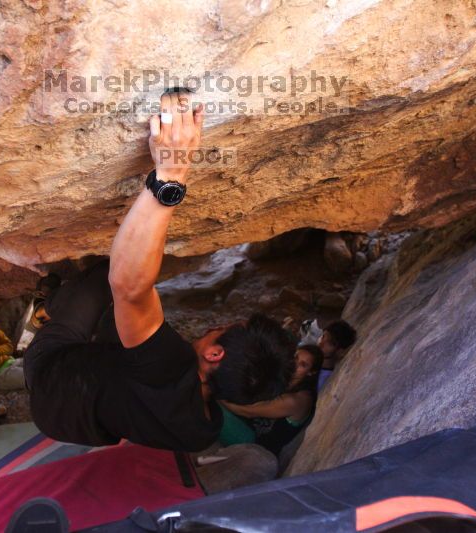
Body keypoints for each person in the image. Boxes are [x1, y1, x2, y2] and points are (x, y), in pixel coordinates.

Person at [23, 90, 295, 452]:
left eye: (227, 328)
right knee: (134, 320)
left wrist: (171, 174)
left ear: (215, 355)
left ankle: (50, 300)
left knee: (103, 276)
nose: (218, 326)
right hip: (76, 424)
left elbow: (128, 285)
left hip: (50, 375)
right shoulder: (203, 430)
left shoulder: (170, 366)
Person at [220, 344, 323, 456]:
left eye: (303, 365)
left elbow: (246, 411)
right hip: (250, 426)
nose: (294, 365)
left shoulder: (298, 400)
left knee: (214, 408)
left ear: (311, 372)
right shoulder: (285, 379)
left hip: (257, 447)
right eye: (295, 358)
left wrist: (216, 395)